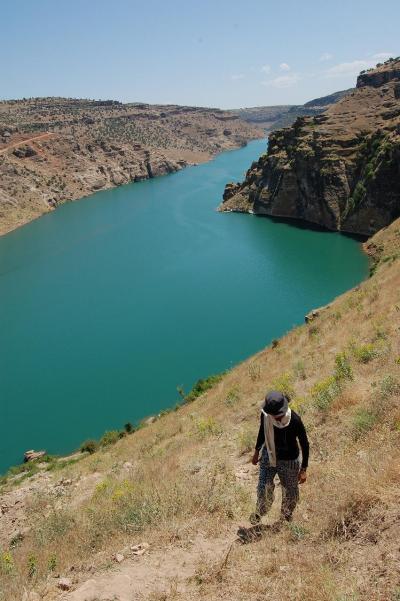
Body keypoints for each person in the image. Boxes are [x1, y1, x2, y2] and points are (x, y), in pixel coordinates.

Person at [250, 390, 309, 524]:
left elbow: (304, 444)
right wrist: (256, 451)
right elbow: (262, 431)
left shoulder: (294, 420)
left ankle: (285, 517)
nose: (276, 418)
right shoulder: (266, 416)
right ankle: (260, 511)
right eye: (274, 415)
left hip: (289, 460)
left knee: (290, 491)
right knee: (263, 486)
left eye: (279, 415)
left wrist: (304, 468)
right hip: (269, 454)